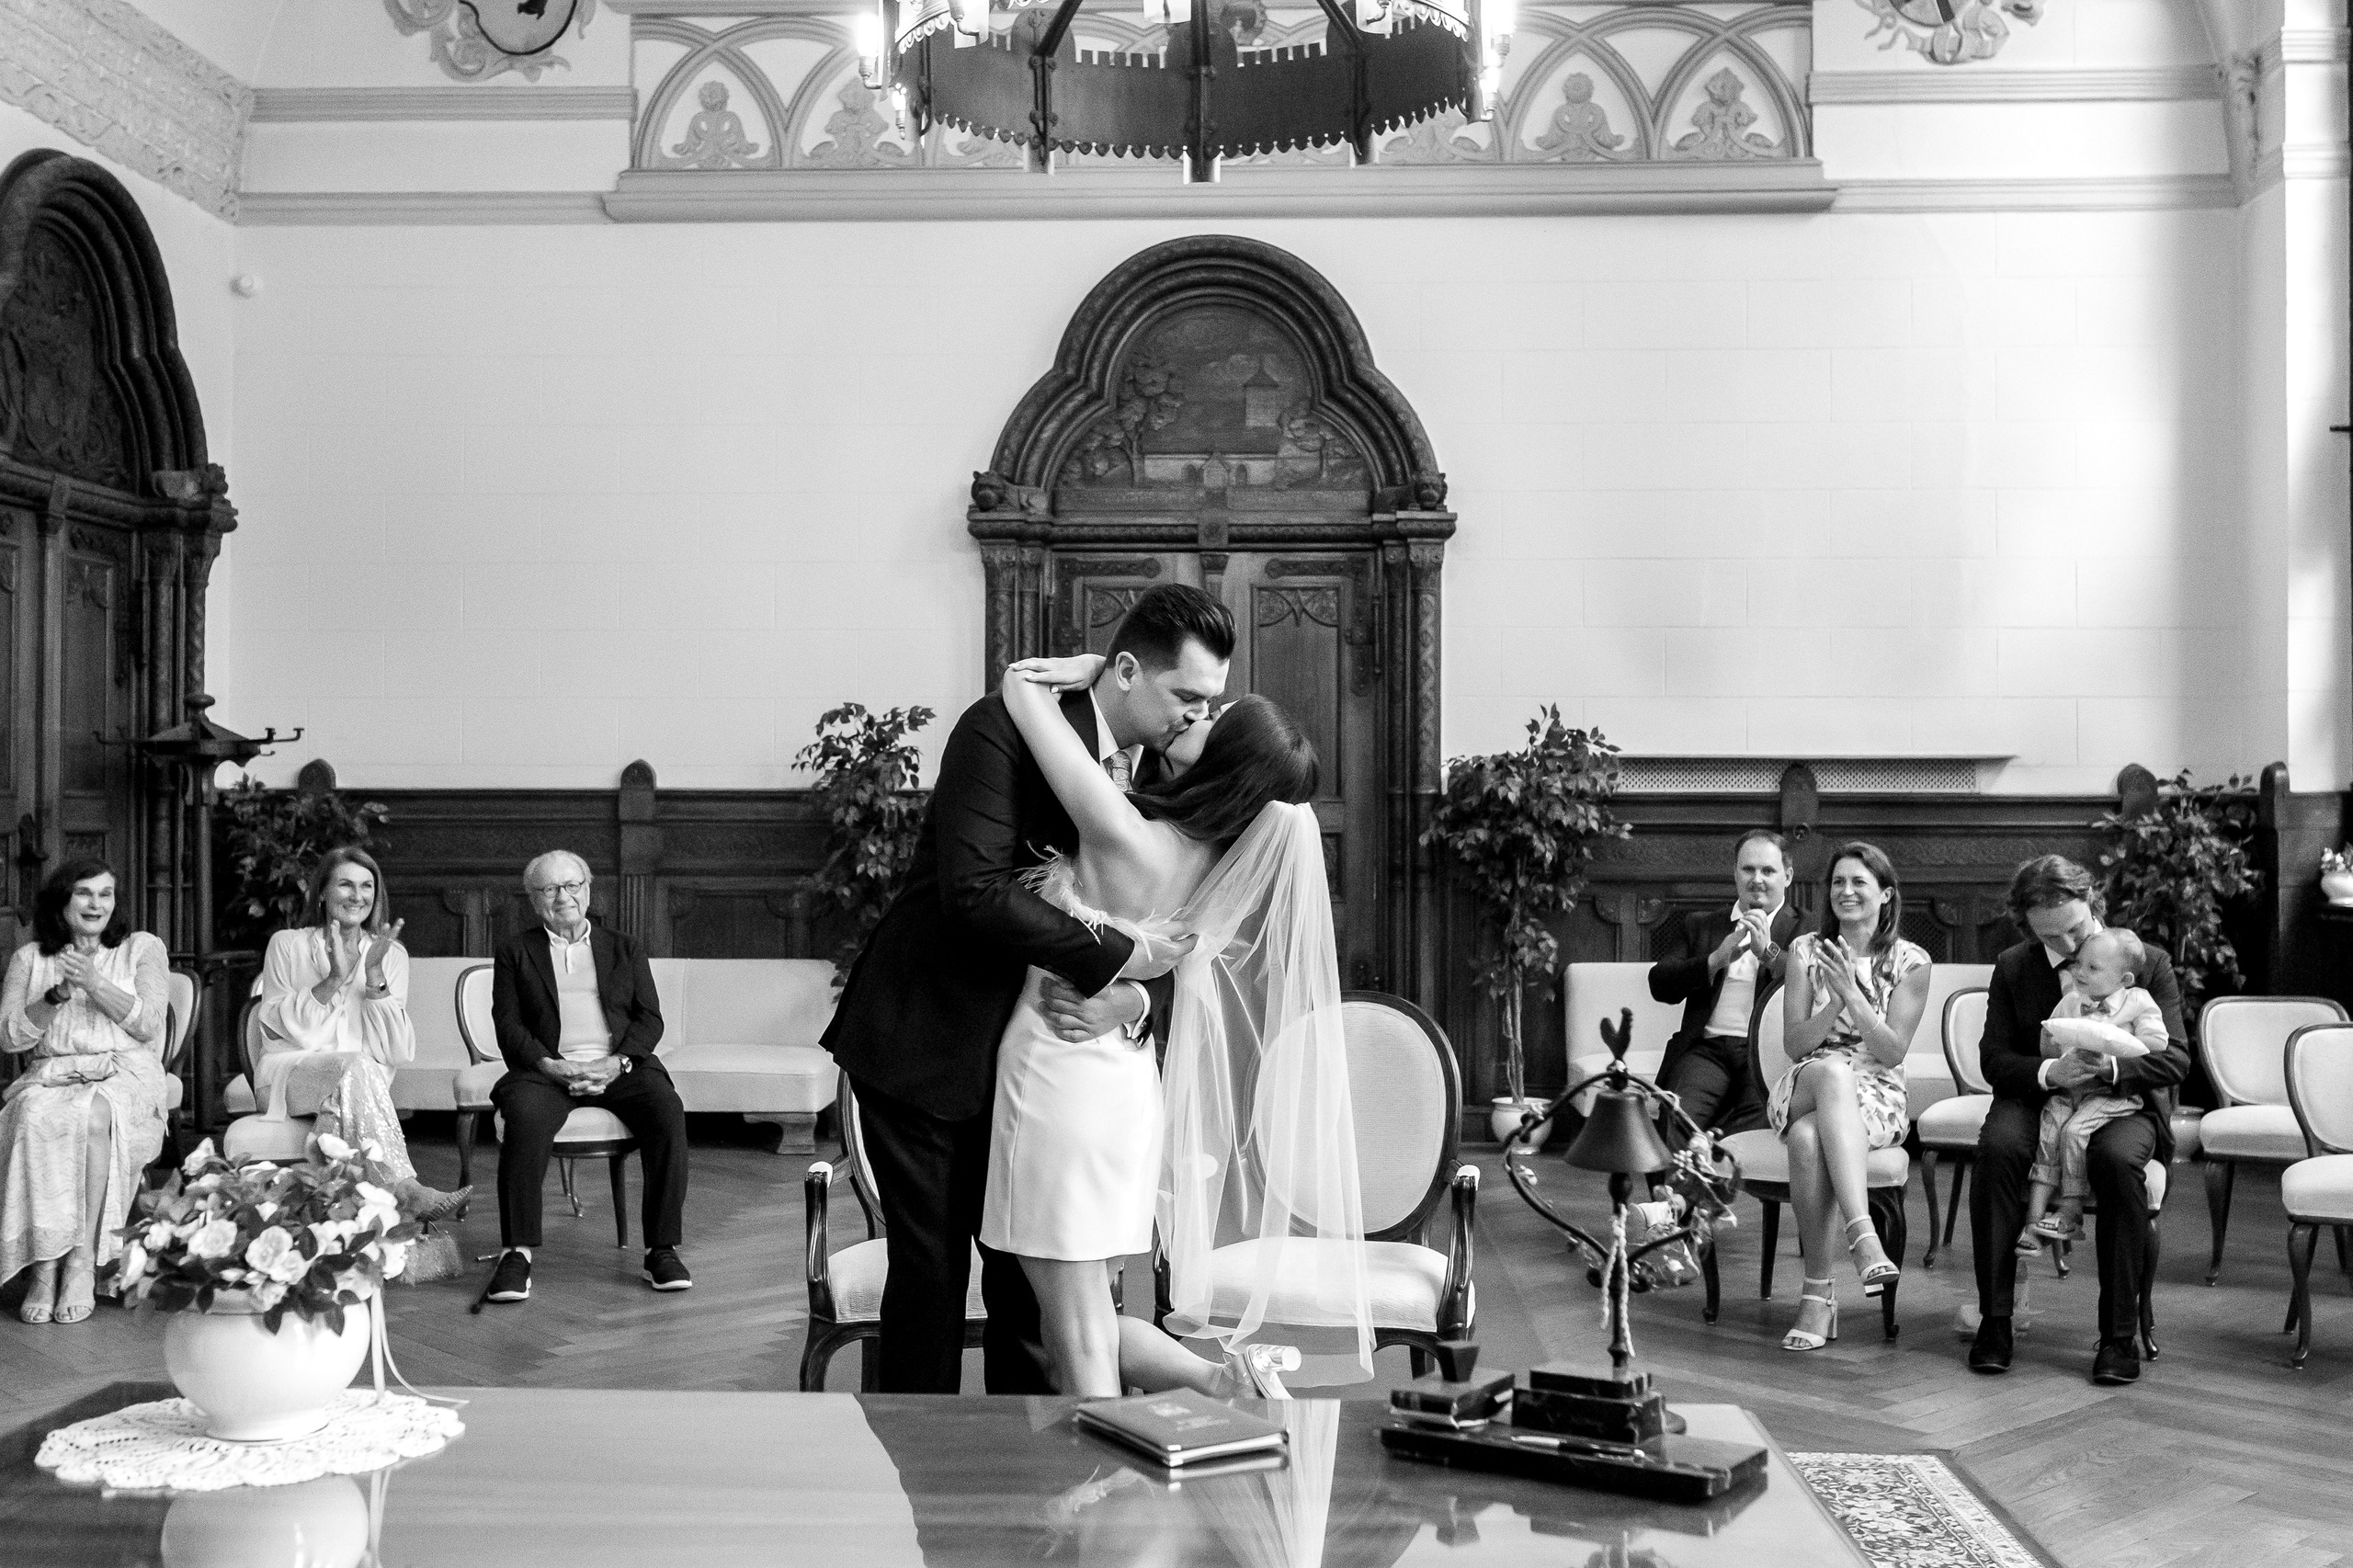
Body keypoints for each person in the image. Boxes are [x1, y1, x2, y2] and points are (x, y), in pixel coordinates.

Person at [821, 583, 1232, 1395]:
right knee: (934, 1280)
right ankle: (923, 1466)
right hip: (933, 1042)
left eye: (1209, 701)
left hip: (1047, 1069)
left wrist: (1137, 998)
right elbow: (973, 893)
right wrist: (1121, 958)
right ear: (1126, 671)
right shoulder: (999, 729)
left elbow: (1190, 936)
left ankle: (1036, 1467)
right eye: (1186, 694)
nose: (1197, 715)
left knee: (1030, 1291)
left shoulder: (1174, 770)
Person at [987, 654, 1368, 1399]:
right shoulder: (1218, 868)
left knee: (1077, 1337)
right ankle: (1228, 1381)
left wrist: (1103, 668)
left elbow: (1021, 689)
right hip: (1124, 1091)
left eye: (1217, 716)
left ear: (1227, 763)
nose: (1199, 712)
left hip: (1061, 1081)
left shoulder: (1124, 831)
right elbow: (1180, 970)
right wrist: (1134, 999)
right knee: (1082, 1320)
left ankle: (1108, 1468)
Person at [1966, 856, 2188, 1386]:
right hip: (2038, 1098)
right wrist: (2051, 1072)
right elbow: (1994, 1059)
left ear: (2091, 900)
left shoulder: (2147, 962)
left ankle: (2118, 1337)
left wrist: (2111, 1068)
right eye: (2051, 937)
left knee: (2115, 1160)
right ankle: (1995, 1323)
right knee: (1997, 1149)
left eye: (2075, 929)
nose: (2069, 947)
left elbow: (2176, 1058)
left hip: (2123, 1102)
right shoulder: (2014, 966)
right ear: (2028, 929)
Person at [482, 850, 693, 1303]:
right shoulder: (515, 951)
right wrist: (551, 1065)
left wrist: (616, 1063)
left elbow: (649, 1018)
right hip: (546, 1069)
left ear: (588, 889)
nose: (563, 897)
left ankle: (661, 1250)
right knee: (525, 1117)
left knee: (667, 1109)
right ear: (533, 899)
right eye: (549, 889)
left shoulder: (624, 946)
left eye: (572, 885)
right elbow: (508, 1025)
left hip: (619, 1066)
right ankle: (516, 1253)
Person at [1768, 842, 1929, 1352]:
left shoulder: (1912, 962)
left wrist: (1855, 996)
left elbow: (1892, 1051)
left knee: (1807, 1139)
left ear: (1886, 894)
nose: (1847, 891)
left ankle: (1817, 1296)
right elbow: (1796, 1044)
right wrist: (1832, 1001)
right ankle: (1863, 1234)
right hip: (1808, 1079)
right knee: (1833, 1072)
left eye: (1860, 881)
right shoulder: (1805, 951)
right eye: (1838, 881)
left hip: (1877, 1092)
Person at [256, 847, 468, 1221]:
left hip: (360, 1086)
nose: (357, 896)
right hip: (288, 1075)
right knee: (357, 1064)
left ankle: (332, 1217)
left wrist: (374, 976)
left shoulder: (390, 954)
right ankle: (406, 1189)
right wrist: (335, 978)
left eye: (367, 886)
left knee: (355, 1074)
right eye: (346, 885)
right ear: (322, 893)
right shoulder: (287, 945)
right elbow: (281, 1030)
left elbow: (396, 1050)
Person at [0, 860, 170, 1324]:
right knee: (32, 1113)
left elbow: (149, 1025)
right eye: (84, 893)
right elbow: (10, 1039)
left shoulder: (141, 948)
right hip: (51, 1073)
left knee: (96, 1111)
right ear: (62, 900)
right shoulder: (29, 958)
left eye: (105, 894)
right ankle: (44, 1267)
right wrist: (56, 996)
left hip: (125, 1071)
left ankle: (80, 1260)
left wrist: (94, 983)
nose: (96, 904)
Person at [2015, 927, 2170, 1255]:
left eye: (2093, 968)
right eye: (2079, 964)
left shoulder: (2138, 1001)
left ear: (2125, 979)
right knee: (2050, 1131)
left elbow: (2157, 1043)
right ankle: (2033, 1221)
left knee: (2074, 1131)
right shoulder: (2072, 1001)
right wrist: (2053, 1046)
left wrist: (2113, 1043)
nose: (2080, 972)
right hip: (2070, 1088)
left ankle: (2071, 1212)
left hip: (2110, 1094)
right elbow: (2049, 1044)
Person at [1646, 829, 1802, 1142]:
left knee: (1762, 1117)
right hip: (1707, 1050)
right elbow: (1660, 984)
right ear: (1735, 873)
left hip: (1766, 1052)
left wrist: (1768, 953)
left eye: (1768, 871)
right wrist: (1715, 960)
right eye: (1748, 869)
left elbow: (1814, 979)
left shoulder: (1806, 926)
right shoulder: (1701, 924)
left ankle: (1710, 1149)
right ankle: (1686, 1172)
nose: (1757, 879)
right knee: (1677, 1119)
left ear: (1787, 876)